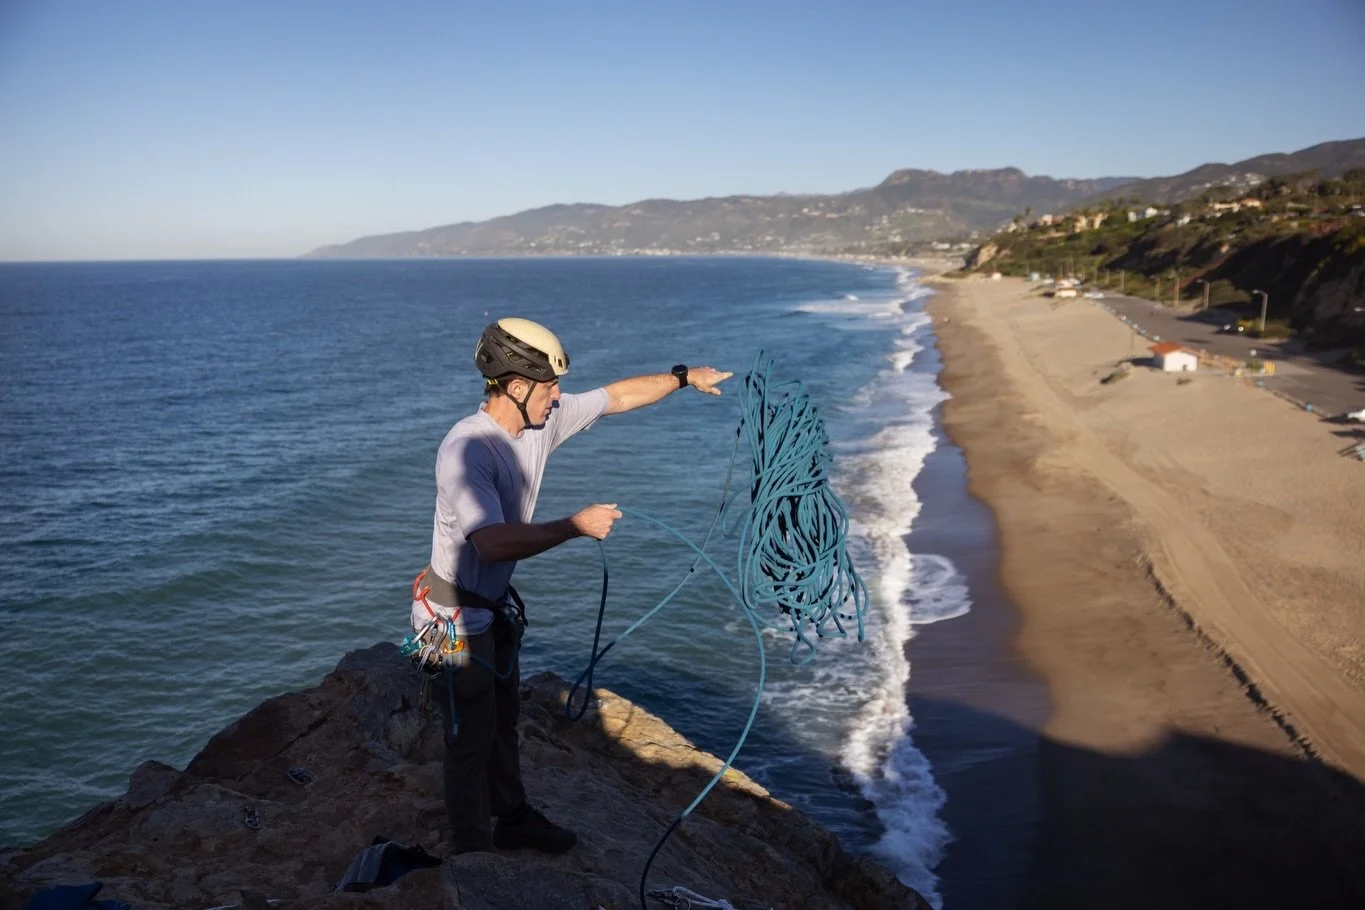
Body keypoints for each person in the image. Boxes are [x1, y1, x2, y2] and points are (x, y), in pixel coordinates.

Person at [411, 316, 733, 855]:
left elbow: (616, 397)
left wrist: (682, 377)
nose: (558, 396)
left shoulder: (538, 423)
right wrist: (573, 526)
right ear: (515, 388)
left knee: (503, 722)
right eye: (548, 386)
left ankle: (511, 818)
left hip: (490, 607)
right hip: (454, 618)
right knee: (470, 739)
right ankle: (473, 855)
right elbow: (490, 543)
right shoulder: (466, 451)